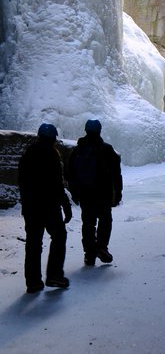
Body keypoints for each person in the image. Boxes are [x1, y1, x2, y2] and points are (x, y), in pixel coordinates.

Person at [18, 123, 72, 293]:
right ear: (53, 138)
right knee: (59, 236)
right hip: (49, 207)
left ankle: (33, 282)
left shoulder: (28, 154)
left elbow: (22, 181)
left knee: (34, 242)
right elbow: (57, 183)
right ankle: (54, 274)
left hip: (31, 207)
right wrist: (65, 205)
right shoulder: (52, 155)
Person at [67, 120, 122, 266]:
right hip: (103, 194)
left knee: (88, 223)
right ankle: (102, 247)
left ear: (86, 130)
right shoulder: (107, 149)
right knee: (105, 220)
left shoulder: (78, 150)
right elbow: (117, 174)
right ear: (99, 131)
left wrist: (75, 192)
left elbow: (69, 174)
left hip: (85, 194)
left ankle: (89, 254)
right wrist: (118, 193)